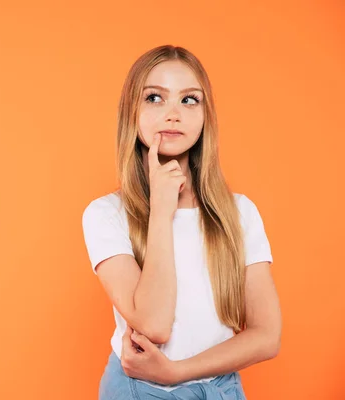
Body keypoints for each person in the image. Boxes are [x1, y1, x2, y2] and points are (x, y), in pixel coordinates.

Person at [81, 45, 282, 400]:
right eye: (155, 98)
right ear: (132, 112)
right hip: (137, 392)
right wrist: (161, 208)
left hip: (222, 391)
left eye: (189, 100)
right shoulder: (106, 214)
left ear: (206, 116)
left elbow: (267, 336)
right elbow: (155, 324)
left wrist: (178, 372)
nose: (173, 114)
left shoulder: (239, 213)